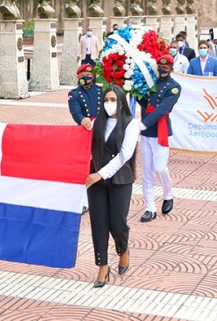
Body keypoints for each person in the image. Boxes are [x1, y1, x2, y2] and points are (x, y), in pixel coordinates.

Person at [84, 86, 138, 288]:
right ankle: (102, 266)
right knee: (99, 224)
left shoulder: (131, 124)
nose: (109, 104)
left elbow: (125, 155)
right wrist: (82, 123)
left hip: (119, 179)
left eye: (113, 99)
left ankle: (123, 249)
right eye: (106, 100)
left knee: (117, 223)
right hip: (96, 181)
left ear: (122, 102)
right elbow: (83, 145)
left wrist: (100, 173)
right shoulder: (97, 123)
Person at [138, 55, 180, 222]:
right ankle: (150, 207)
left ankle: (168, 194)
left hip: (160, 130)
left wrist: (142, 125)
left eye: (166, 67)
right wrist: (134, 88)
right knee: (147, 170)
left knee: (160, 167)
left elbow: (161, 110)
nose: (163, 69)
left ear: (171, 68)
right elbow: (145, 102)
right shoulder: (151, 83)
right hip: (148, 132)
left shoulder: (174, 87)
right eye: (160, 67)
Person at [68, 63, 102, 214]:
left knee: (102, 163)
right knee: (85, 166)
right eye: (82, 76)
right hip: (86, 131)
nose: (85, 78)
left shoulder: (101, 90)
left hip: (102, 129)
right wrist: (82, 119)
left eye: (88, 76)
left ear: (93, 76)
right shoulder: (74, 94)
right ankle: (83, 201)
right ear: (78, 77)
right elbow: (75, 112)